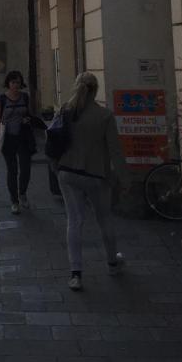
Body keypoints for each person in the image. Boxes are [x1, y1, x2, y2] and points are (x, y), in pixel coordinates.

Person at [55, 72, 126, 292]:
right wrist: (124, 178)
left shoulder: (66, 111)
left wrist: (55, 166)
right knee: (104, 219)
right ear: (96, 90)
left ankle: (76, 273)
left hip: (68, 172)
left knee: (74, 221)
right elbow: (115, 150)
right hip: (96, 175)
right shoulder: (104, 115)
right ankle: (112, 263)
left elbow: (53, 139)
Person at [0, 70, 38, 214]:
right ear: (8, 83)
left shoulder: (25, 97)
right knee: (12, 170)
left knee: (26, 169)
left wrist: (28, 119)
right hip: (8, 138)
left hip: (23, 136)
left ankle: (22, 193)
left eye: (18, 82)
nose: (15, 85)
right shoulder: (2, 99)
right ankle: (14, 201)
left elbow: (30, 114)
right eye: (13, 82)